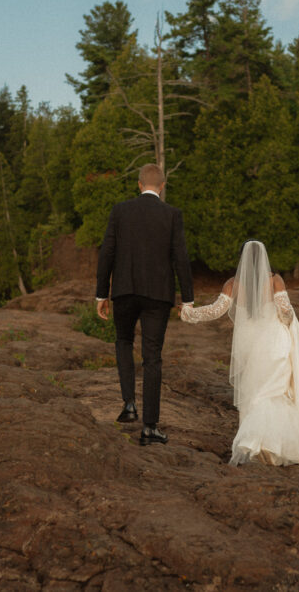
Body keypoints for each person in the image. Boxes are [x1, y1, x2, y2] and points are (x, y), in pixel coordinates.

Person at [181, 240, 299, 473]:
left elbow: (215, 310)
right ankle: (275, 448)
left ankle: (255, 446)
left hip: (250, 347)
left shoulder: (233, 284)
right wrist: (286, 320)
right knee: (275, 394)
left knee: (255, 396)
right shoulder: (275, 281)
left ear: (241, 259)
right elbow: (286, 312)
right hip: (274, 345)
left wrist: (189, 313)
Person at [96, 164, 194, 446]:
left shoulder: (120, 211)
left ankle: (129, 404)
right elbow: (181, 258)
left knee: (123, 341)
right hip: (158, 295)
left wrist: (102, 294)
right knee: (153, 357)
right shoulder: (172, 214)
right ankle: (150, 427)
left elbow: (107, 253)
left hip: (124, 291)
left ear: (139, 185)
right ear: (161, 186)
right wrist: (186, 299)